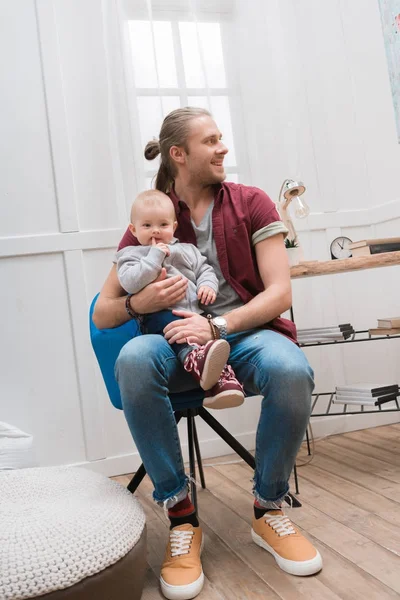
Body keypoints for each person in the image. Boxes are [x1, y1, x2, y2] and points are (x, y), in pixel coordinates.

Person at [93, 107, 322, 600]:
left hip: (243, 332)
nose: (223, 148)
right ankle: (180, 513)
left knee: (291, 369)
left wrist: (216, 322)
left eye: (222, 139)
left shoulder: (253, 202)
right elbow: (105, 312)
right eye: (211, 141)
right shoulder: (153, 215)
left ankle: (269, 509)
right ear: (179, 154)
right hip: (173, 339)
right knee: (133, 361)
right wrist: (141, 301)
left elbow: (279, 293)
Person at [116, 189, 245, 409]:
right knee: (180, 330)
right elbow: (130, 282)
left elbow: (205, 270)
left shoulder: (188, 250)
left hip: (194, 315)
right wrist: (155, 255)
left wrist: (207, 285)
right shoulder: (131, 255)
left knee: (208, 335)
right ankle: (196, 358)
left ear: (174, 227)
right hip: (159, 318)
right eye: (147, 226)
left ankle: (221, 384)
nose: (155, 231)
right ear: (133, 229)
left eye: (163, 225)